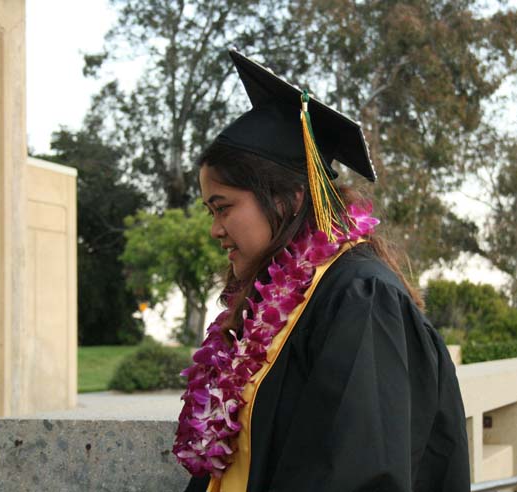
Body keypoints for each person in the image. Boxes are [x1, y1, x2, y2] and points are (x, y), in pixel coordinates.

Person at [173, 50, 469, 492]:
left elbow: (361, 473)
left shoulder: (361, 297)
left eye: (224, 208)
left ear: (287, 199)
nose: (216, 229)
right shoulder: (278, 305)